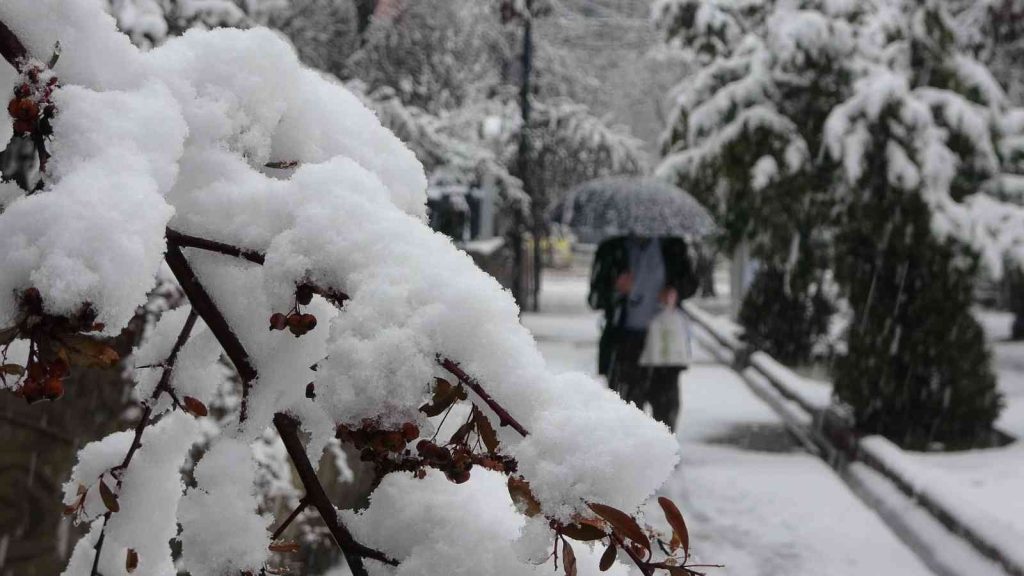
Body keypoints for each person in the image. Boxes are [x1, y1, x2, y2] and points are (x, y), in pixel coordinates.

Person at [588, 236, 698, 430]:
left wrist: (675, 292)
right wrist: (617, 289)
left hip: (664, 343)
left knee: (665, 412)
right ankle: (631, 456)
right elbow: (595, 298)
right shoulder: (612, 249)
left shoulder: (673, 247)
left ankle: (663, 455)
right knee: (626, 414)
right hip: (625, 343)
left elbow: (691, 284)